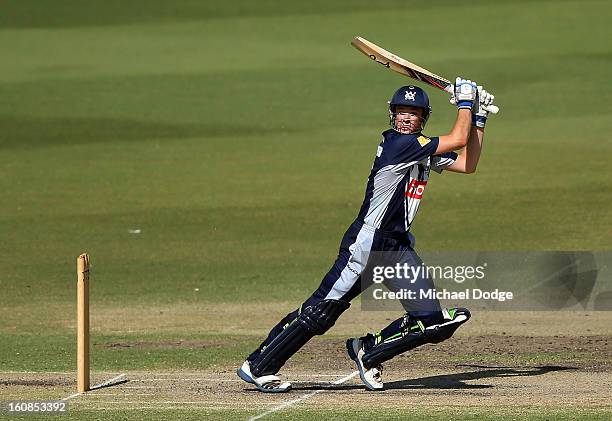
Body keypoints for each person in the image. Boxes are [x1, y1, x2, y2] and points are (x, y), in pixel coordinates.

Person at [237, 78, 495, 392]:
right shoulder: (399, 145)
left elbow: (468, 163)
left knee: (433, 323)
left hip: (397, 248)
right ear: (392, 114)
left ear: (423, 118)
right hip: (367, 244)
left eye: (413, 113)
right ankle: (259, 364)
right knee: (322, 311)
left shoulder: (420, 148)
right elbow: (457, 139)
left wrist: (478, 117)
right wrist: (466, 103)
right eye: (401, 111)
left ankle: (368, 351)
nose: (406, 117)